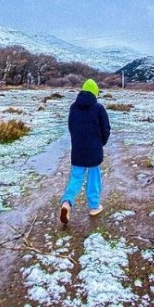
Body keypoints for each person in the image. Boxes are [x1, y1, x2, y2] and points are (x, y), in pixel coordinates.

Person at [59, 78, 111, 224]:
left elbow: (71, 127)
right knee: (94, 178)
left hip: (78, 149)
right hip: (94, 149)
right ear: (95, 92)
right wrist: (101, 143)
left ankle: (67, 203)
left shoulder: (73, 107)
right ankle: (94, 206)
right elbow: (106, 129)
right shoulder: (99, 108)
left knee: (76, 177)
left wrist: (77, 141)